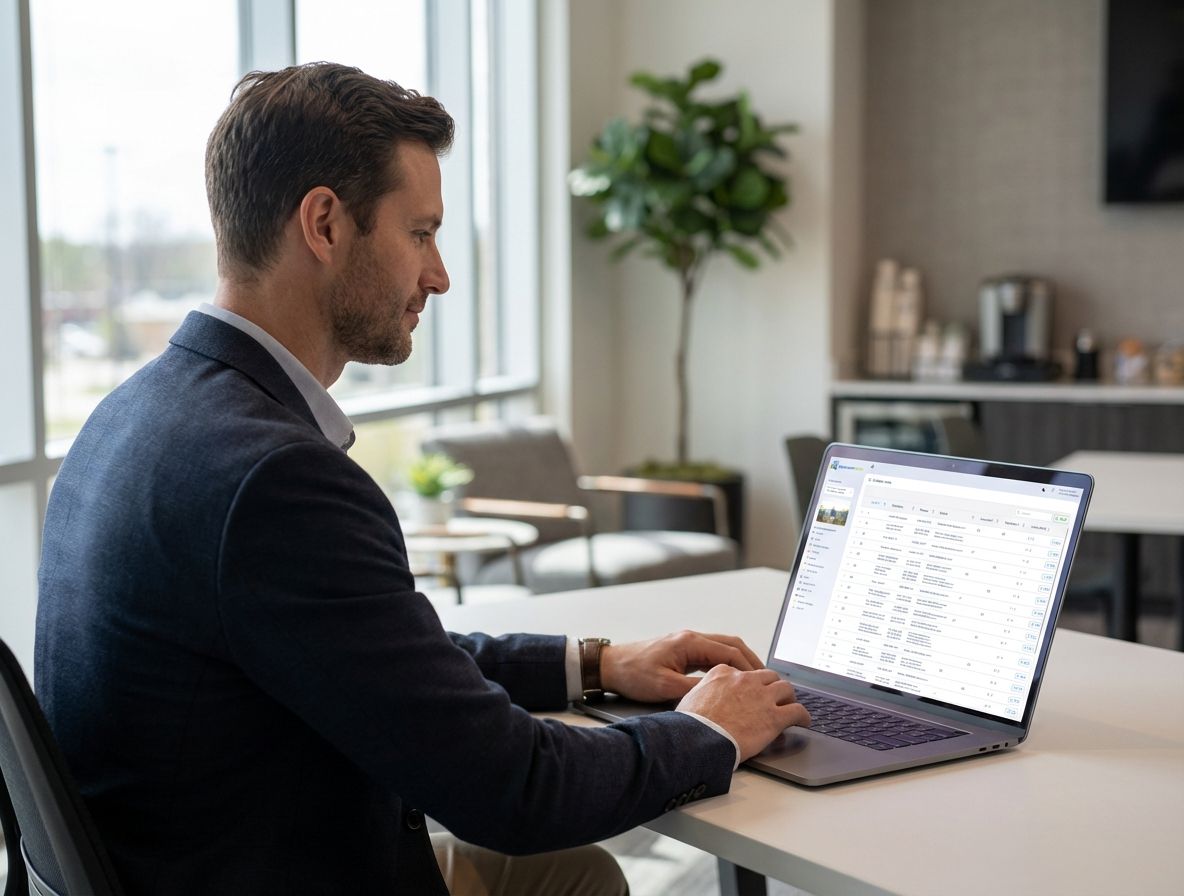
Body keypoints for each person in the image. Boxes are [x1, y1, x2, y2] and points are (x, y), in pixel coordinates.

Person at [35, 62, 810, 895]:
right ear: (325, 224)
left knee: (576, 879)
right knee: (570, 869)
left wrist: (598, 663)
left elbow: (378, 655)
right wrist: (709, 732)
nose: (438, 275)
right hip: (274, 872)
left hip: (184, 862)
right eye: (421, 233)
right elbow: (514, 790)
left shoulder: (137, 413)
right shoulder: (275, 478)